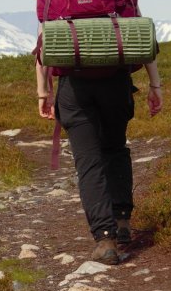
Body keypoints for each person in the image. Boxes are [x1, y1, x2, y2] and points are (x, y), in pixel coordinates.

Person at [36, 24, 163, 266]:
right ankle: (122, 220)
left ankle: (105, 240)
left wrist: (44, 92)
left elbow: (43, 44)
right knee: (115, 148)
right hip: (116, 81)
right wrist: (155, 84)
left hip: (73, 86)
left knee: (88, 162)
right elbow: (143, 34)